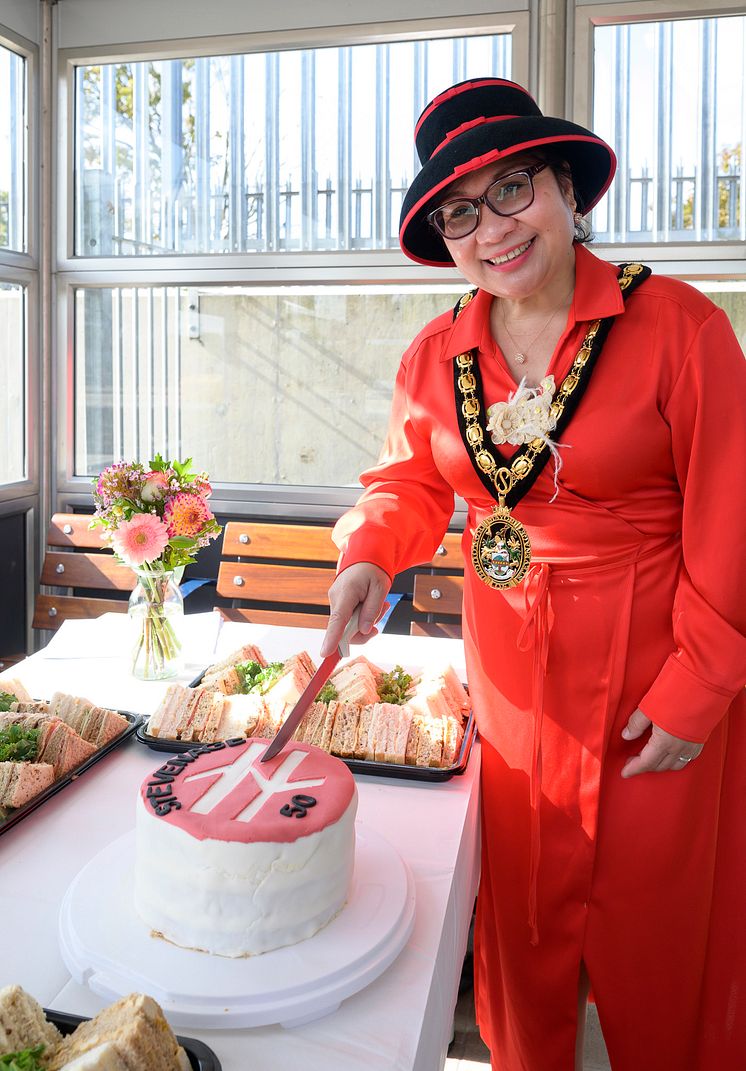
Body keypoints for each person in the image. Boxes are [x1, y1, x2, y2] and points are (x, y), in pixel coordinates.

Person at [319, 77, 746, 1070]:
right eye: (459, 213)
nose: (491, 229)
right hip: (511, 678)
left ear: (565, 189)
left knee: (660, 921)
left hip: (657, 669)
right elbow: (403, 483)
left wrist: (694, 691)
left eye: (512, 188)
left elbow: (733, 515)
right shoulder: (438, 352)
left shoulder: (680, 328)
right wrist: (365, 557)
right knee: (521, 921)